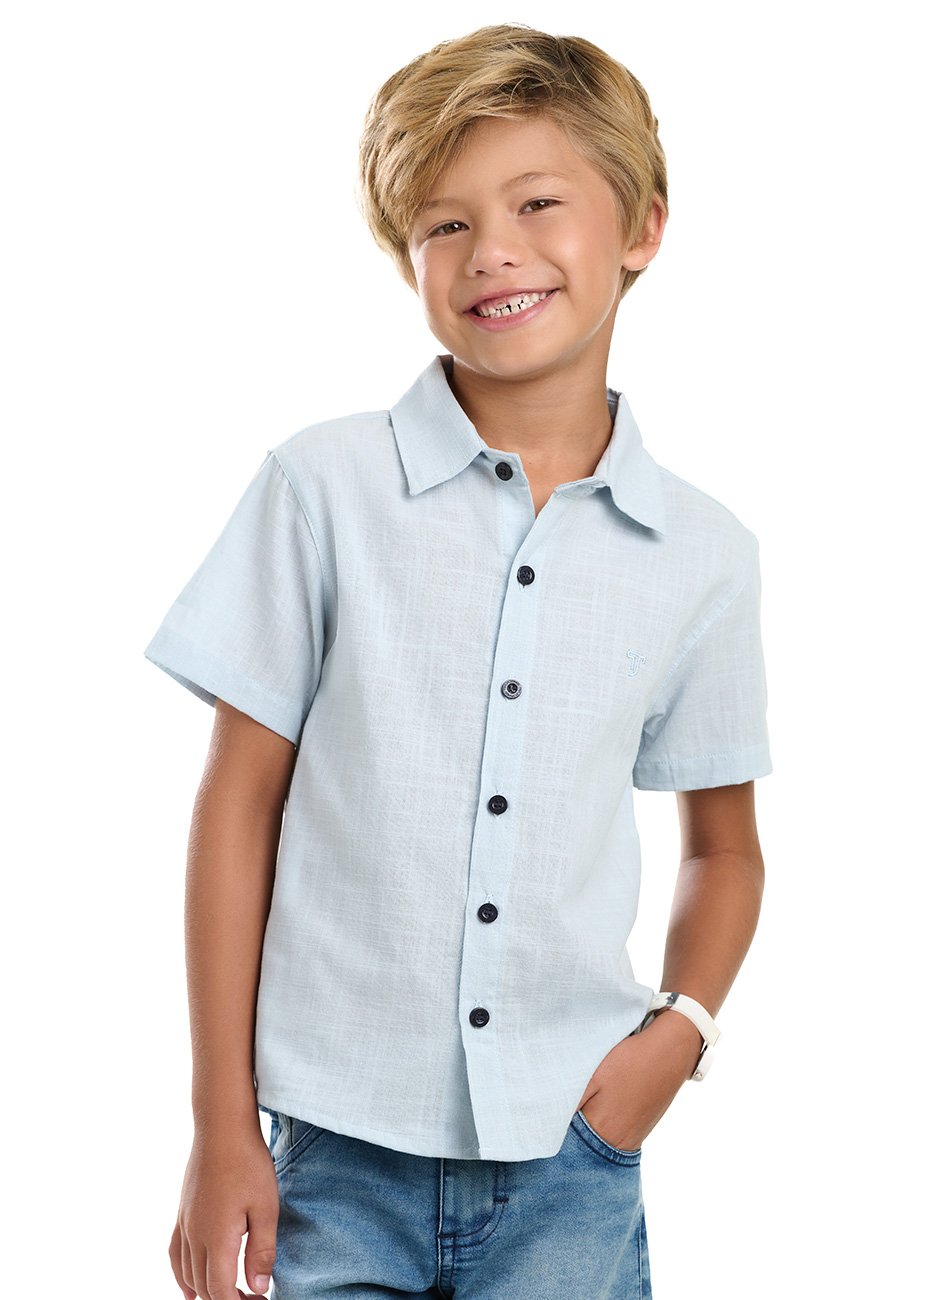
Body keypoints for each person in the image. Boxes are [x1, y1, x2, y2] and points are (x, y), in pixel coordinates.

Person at [145, 22, 772, 1300]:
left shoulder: (703, 552)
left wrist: (679, 1035)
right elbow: (237, 806)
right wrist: (219, 1124)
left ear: (641, 226)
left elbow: (723, 846)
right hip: (330, 1153)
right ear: (408, 261)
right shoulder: (321, 489)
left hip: (571, 1155)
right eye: (443, 223)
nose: (491, 248)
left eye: (536, 202)